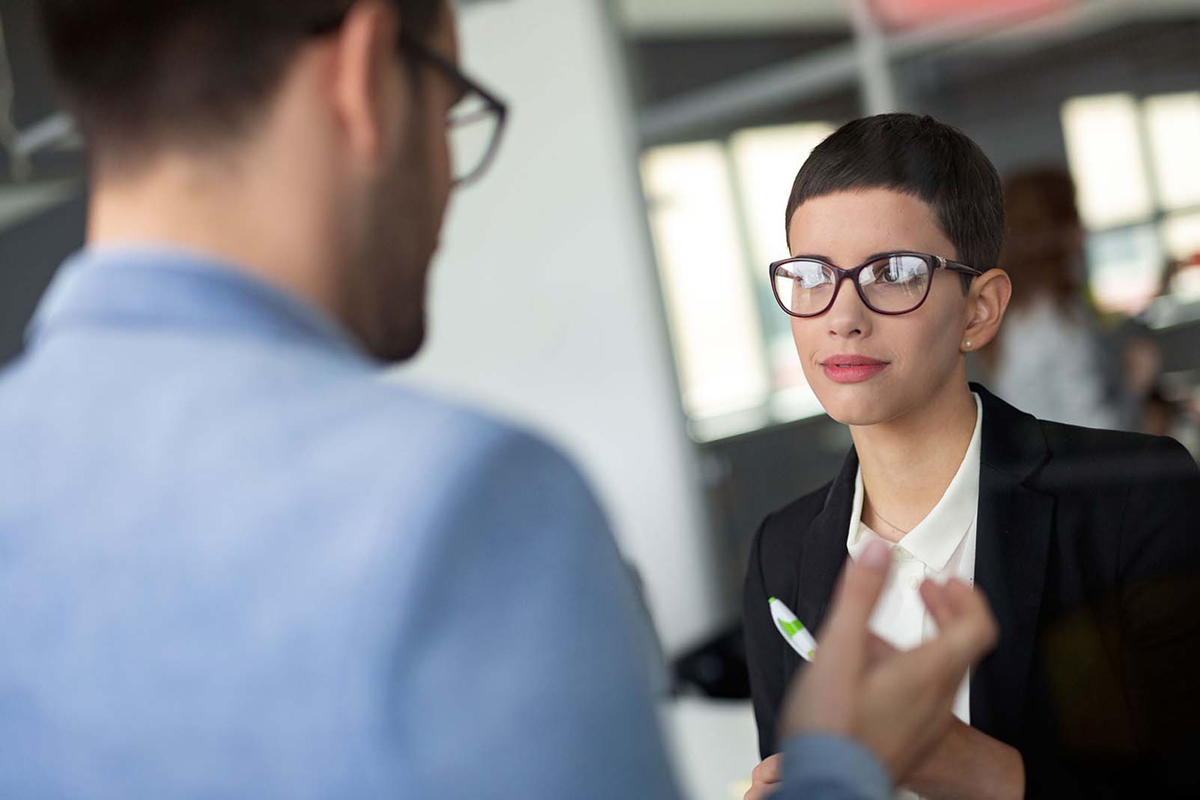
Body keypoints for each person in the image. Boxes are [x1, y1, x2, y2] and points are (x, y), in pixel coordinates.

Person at [0, 2, 1001, 798]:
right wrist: (837, 766)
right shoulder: (460, 500)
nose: (447, 181)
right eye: (449, 112)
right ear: (362, 78)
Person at [743, 114, 1200, 799]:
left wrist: (991, 775)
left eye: (893, 273)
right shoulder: (780, 554)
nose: (842, 316)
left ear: (979, 309)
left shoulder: (1134, 498)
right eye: (812, 275)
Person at [986, 167, 1129, 430]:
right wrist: (1134, 383)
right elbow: (1095, 431)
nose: (1083, 231)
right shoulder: (1052, 321)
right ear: (1052, 231)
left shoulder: (1014, 316)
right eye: (1073, 216)